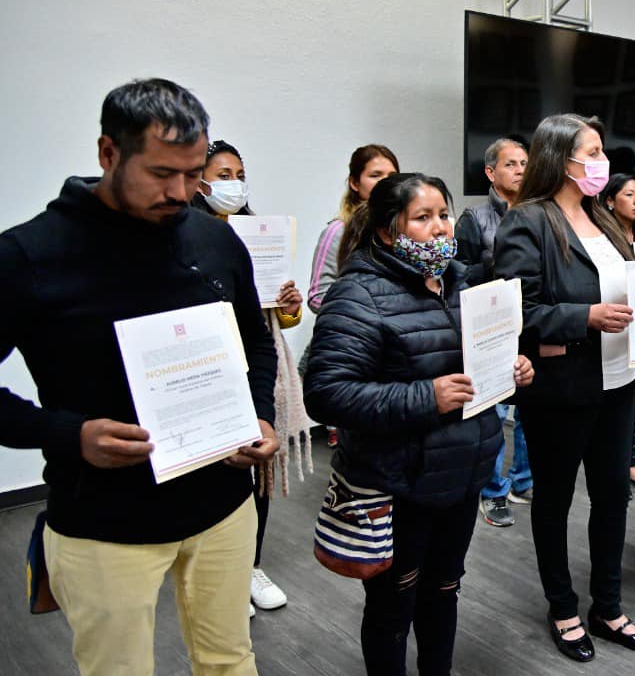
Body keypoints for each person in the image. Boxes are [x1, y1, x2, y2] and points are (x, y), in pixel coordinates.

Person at [0, 78, 279, 675]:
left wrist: (262, 413)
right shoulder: (29, 255)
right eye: (160, 174)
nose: (182, 191)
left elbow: (255, 339)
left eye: (193, 171)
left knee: (230, 660)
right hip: (104, 524)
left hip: (224, 507)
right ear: (108, 154)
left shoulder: (214, 238)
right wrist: (68, 434)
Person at [305, 172, 534, 675]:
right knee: (394, 606)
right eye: (423, 218)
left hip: (462, 472)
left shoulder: (462, 281)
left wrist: (511, 367)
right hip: (398, 483)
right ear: (389, 230)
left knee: (445, 591)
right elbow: (326, 392)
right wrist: (425, 397)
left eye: (444, 215)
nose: (439, 229)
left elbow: (473, 359)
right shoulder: (358, 294)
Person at [495, 114, 635, 660]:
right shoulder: (527, 221)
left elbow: (630, 286)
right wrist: (585, 317)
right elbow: (519, 310)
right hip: (562, 386)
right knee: (554, 499)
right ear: (560, 158)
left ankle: (609, 606)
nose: (602, 163)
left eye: (601, 152)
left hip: (620, 380)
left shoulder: (605, 217)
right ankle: (563, 607)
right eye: (591, 152)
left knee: (613, 497)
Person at [192, 140, 309, 617]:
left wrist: (289, 306)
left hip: (257, 370)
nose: (233, 183)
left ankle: (250, 568)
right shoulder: (190, 237)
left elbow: (278, 324)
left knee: (257, 475)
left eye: (239, 173)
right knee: (213, 479)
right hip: (208, 371)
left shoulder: (253, 235)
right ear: (197, 180)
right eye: (223, 174)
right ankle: (215, 578)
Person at [456, 137, 532, 528]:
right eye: (511, 164)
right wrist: (498, 267)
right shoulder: (474, 219)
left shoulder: (540, 212)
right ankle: (493, 492)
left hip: (533, 324)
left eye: (524, 163)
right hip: (494, 327)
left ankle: (524, 481)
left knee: (531, 412)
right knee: (493, 414)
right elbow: (459, 278)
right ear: (490, 172)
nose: (520, 169)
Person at [307, 144, 398, 447]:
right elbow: (317, 295)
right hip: (357, 350)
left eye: (391, 175)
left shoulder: (402, 231)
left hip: (392, 355)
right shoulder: (337, 231)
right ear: (355, 183)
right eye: (375, 175)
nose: (385, 182)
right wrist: (363, 314)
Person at [599, 172, 635, 491]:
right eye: (629, 195)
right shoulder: (601, 240)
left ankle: (630, 464)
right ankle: (612, 467)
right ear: (609, 200)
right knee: (613, 406)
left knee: (634, 401)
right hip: (611, 332)